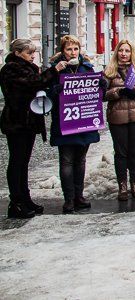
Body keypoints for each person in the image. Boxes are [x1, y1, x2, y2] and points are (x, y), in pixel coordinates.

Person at [0, 38, 61, 218]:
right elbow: (34, 82)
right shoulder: (11, 69)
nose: (32, 56)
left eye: (33, 53)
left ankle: (25, 198)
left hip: (28, 120)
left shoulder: (25, 67)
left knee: (24, 162)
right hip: (17, 121)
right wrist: (54, 70)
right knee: (17, 161)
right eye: (29, 53)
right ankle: (16, 202)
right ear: (17, 53)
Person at [46, 35, 105, 213]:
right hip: (65, 121)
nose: (73, 52)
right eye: (69, 49)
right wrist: (56, 90)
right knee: (66, 160)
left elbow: (98, 91)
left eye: (75, 49)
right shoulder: (55, 70)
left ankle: (79, 195)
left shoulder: (86, 67)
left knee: (80, 160)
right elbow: (45, 94)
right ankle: (69, 198)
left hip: (84, 119)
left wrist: (102, 83)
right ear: (62, 51)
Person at [103, 39, 135, 200]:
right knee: (121, 153)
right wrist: (117, 92)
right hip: (117, 117)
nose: (124, 54)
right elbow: (100, 95)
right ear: (116, 52)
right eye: (121, 50)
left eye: (127, 51)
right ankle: (122, 187)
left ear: (132, 53)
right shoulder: (109, 72)